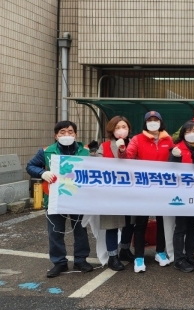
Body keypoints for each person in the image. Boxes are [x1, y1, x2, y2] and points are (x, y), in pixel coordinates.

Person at [26, 120, 93, 278]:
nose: (66, 135)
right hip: (54, 198)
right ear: (56, 136)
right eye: (62, 132)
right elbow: (30, 166)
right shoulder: (46, 152)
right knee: (55, 231)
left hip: (78, 198)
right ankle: (59, 262)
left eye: (70, 132)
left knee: (80, 230)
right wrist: (42, 173)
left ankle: (81, 260)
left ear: (75, 134)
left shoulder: (85, 152)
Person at [125, 111, 174, 273]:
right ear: (145, 123)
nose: (153, 122)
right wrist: (122, 150)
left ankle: (160, 252)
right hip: (143, 187)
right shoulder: (137, 139)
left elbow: (174, 160)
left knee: (162, 221)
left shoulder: (168, 139)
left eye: (156, 120)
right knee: (141, 222)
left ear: (161, 122)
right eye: (150, 120)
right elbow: (128, 157)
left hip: (163, 187)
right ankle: (139, 256)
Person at [96, 116, 134, 271]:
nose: (121, 130)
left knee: (130, 222)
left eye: (124, 127)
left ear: (129, 129)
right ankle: (112, 256)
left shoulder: (134, 144)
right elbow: (97, 165)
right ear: (112, 130)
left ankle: (125, 249)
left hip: (131, 191)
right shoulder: (104, 146)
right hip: (110, 192)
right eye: (117, 127)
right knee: (111, 224)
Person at [169, 121, 194, 273]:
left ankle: (190, 255)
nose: (192, 134)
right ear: (183, 134)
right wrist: (175, 158)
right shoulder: (177, 149)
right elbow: (171, 170)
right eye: (188, 131)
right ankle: (179, 259)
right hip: (182, 194)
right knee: (181, 227)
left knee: (193, 226)